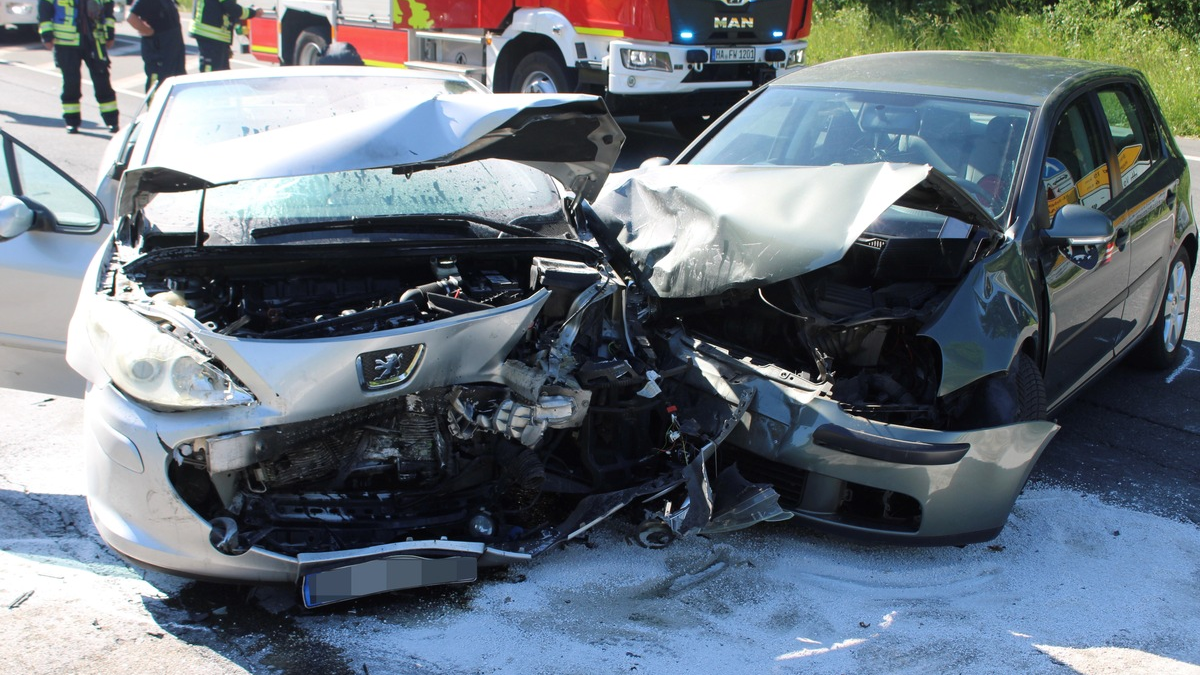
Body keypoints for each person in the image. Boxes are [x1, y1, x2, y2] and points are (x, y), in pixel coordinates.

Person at [37, 0, 119, 134]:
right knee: (71, 83)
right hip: (66, 42)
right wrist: (47, 36)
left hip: (94, 41)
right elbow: (44, 11)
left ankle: (112, 121)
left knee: (102, 81)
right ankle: (72, 122)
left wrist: (109, 33)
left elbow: (108, 9)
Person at [126, 0, 186, 92]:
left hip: (174, 51)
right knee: (158, 85)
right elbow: (131, 18)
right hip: (159, 51)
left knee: (177, 81)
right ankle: (153, 105)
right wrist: (148, 31)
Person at [189, 0, 261, 72]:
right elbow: (231, 8)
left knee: (220, 70)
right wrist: (253, 12)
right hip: (211, 33)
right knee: (212, 70)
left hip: (209, 31)